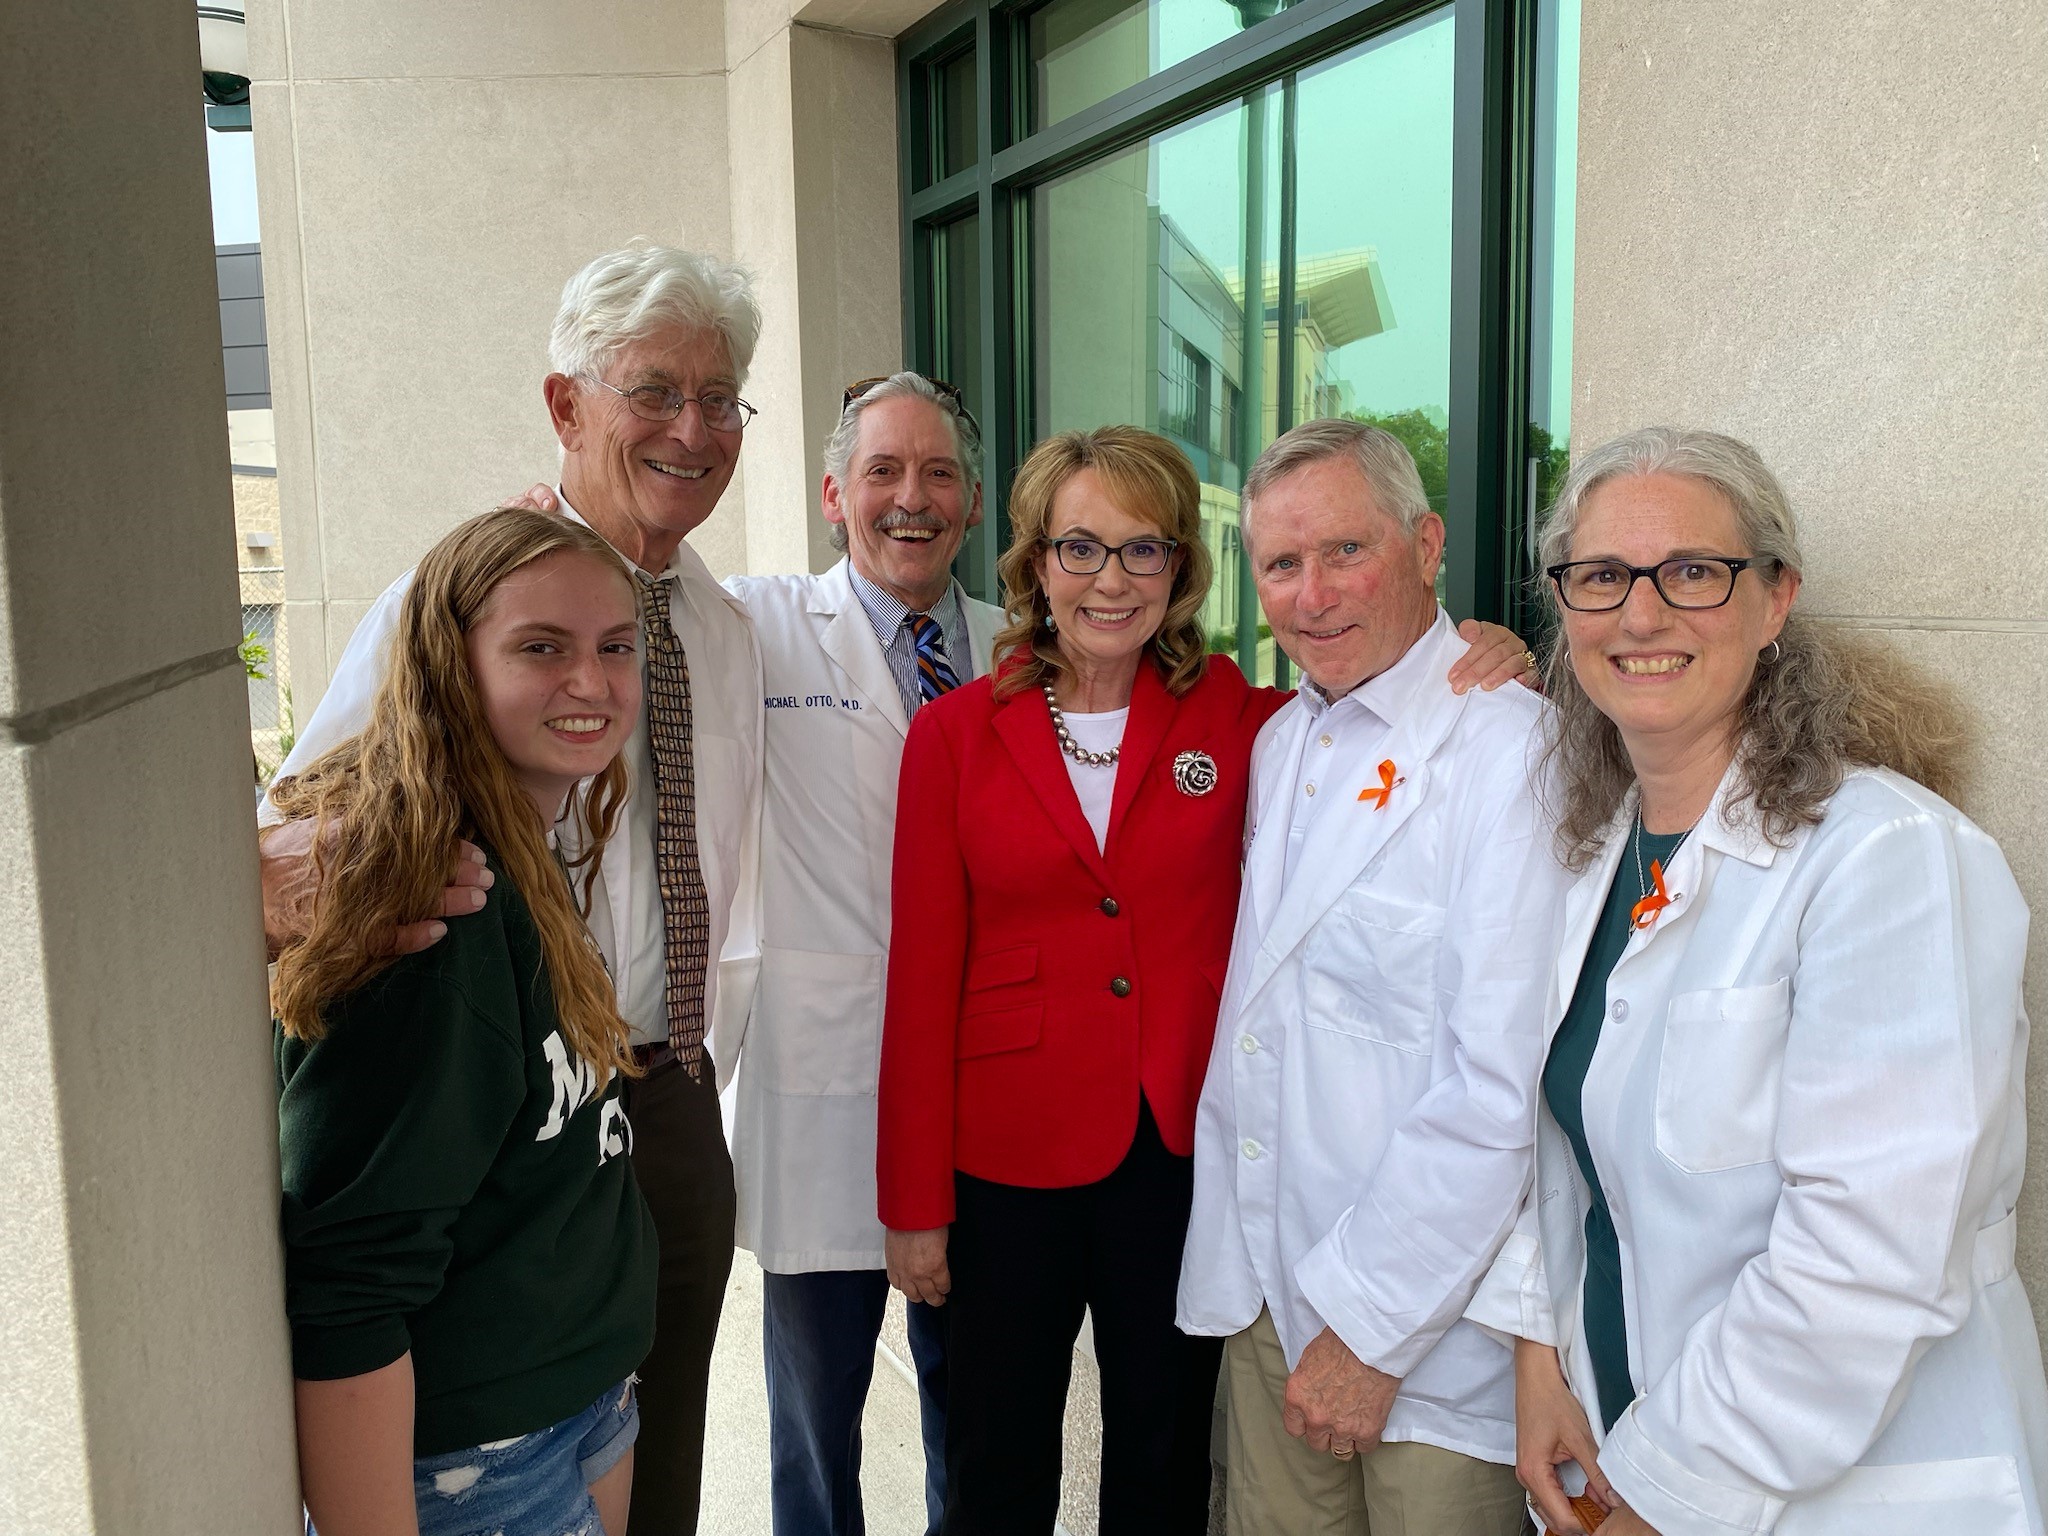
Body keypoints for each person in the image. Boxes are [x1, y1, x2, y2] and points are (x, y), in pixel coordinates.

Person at [876, 425, 1536, 1534]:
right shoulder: (952, 734)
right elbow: (920, 973)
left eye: (1145, 550)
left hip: (1173, 1157)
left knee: (1163, 1459)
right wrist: (911, 1204)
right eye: (1079, 548)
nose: (1110, 579)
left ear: (1180, 569)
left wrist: (1492, 650)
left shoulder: (1246, 717)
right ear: (1035, 560)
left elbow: (1396, 709)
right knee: (990, 1460)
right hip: (1002, 1157)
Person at [261, 243, 766, 1536]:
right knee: (510, 1433)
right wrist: (281, 891)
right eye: (654, 392)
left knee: (657, 1452)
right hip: (491, 1119)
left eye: (722, 399)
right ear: (567, 407)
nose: (693, 430)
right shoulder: (455, 603)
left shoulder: (722, 626)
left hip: (661, 1097)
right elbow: (300, 832)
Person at [1473, 427, 2048, 1536]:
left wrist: (1662, 1489)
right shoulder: (1593, 853)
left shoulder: (1890, 861)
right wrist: (1539, 1358)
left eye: (1691, 572)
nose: (1639, 616)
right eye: (1600, 577)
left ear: (1772, 599)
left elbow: (1869, 1261)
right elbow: (1559, 1165)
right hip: (1608, 1439)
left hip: (1826, 1486)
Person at [1175, 418, 1567, 1536]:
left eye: (1345, 551)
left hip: (1426, 1341)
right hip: (1266, 1295)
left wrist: (1366, 1333)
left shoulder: (1510, 752)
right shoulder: (1280, 744)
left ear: (1426, 544)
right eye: (1280, 565)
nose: (1311, 595)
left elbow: (1496, 1090)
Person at [274, 507, 657, 1536]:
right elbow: (348, 1278)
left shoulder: (523, 835)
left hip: (575, 1404)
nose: (592, 682)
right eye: (541, 648)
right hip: (477, 1468)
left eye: (614, 647)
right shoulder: (435, 898)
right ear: (449, 663)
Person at [723, 372, 1001, 1536]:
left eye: (937, 473)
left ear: (974, 503)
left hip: (980, 1089)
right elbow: (608, 596)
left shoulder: (1020, 646)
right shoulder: (756, 623)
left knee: (975, 1408)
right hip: (825, 1085)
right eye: (881, 472)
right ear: (834, 494)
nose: (910, 498)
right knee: (814, 1421)